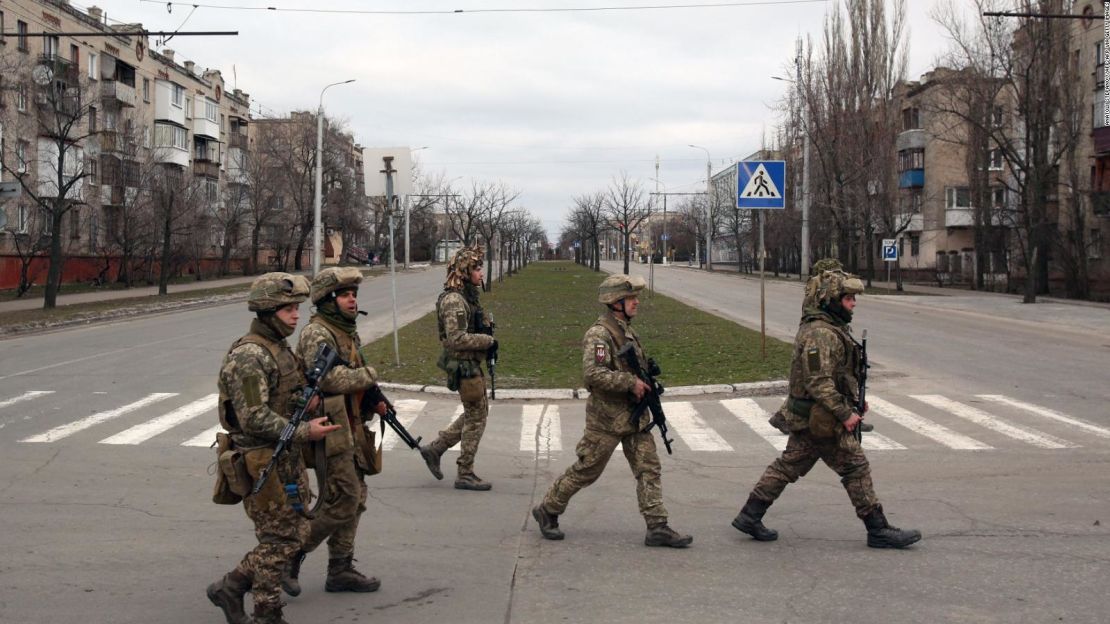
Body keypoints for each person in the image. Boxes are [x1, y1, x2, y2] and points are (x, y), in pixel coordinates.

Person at [732, 270, 921, 549]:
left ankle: (750, 514)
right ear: (831, 300)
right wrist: (845, 413)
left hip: (813, 417)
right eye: (848, 298)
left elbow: (834, 375)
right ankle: (878, 529)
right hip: (820, 418)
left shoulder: (829, 328)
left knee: (788, 466)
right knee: (855, 467)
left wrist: (854, 400)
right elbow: (818, 381)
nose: (853, 303)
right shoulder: (821, 333)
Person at [207, 273, 341, 624]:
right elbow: (253, 417)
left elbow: (285, 395)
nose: (296, 315)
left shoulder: (279, 349)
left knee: (294, 534)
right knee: (278, 539)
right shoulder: (250, 356)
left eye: (296, 308)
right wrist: (303, 429)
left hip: (284, 456)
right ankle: (267, 612)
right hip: (261, 460)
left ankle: (233, 586)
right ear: (267, 311)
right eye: (288, 309)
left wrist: (305, 402)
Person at [532, 274, 692, 548]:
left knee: (648, 468)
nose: (636, 303)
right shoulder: (600, 334)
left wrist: (646, 382)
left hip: (634, 416)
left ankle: (657, 526)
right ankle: (548, 509)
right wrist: (630, 382)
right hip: (606, 418)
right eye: (631, 299)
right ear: (615, 302)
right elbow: (593, 374)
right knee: (587, 470)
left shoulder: (625, 329)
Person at [283, 267, 386, 597]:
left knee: (356, 499)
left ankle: (340, 568)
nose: (352, 299)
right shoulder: (317, 333)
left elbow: (350, 370)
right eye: (345, 295)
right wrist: (369, 376)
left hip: (351, 424)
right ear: (329, 300)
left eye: (354, 294)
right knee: (343, 499)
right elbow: (329, 379)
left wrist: (375, 397)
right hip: (328, 427)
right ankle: (290, 555)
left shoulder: (344, 331)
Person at [418, 246, 497, 491]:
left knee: (476, 413)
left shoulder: (467, 297)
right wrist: (488, 341)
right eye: (476, 268)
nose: (481, 273)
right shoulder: (454, 300)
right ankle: (465, 472)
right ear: (464, 271)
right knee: (476, 418)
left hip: (470, 364)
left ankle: (436, 448)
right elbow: (456, 338)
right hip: (463, 366)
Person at [769, 257, 872, 435]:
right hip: (819, 335)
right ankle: (785, 416)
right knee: (816, 376)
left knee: (814, 377)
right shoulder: (822, 292)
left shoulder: (817, 290)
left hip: (823, 330)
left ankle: (784, 416)